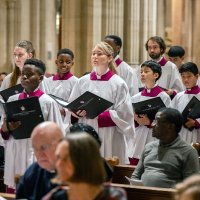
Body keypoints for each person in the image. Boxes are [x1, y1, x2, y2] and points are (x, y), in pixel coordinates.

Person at [0, 58, 65, 191]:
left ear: (40, 78)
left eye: (29, 74)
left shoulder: (48, 102)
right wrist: (7, 127)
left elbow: (58, 133)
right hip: (16, 151)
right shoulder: (12, 100)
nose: (24, 77)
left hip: (36, 154)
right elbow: (3, 130)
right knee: (14, 188)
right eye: (23, 73)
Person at [66, 41, 135, 164]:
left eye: (99, 54)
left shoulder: (118, 83)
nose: (95, 57)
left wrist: (100, 115)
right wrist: (74, 114)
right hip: (86, 131)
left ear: (109, 58)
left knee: (108, 168)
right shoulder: (82, 81)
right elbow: (71, 107)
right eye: (93, 54)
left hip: (109, 133)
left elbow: (125, 114)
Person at [43, 133, 127, 200]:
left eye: (66, 158)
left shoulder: (113, 196)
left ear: (84, 161)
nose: (58, 164)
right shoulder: (55, 197)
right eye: (58, 157)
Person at [130, 107, 199, 188]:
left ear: (170, 126)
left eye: (157, 121)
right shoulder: (149, 147)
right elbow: (135, 176)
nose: (152, 124)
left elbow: (191, 186)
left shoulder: (188, 151)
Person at [130, 60, 171, 165]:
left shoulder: (163, 97)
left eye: (146, 71)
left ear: (156, 75)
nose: (142, 74)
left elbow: (168, 120)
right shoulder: (136, 97)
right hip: (138, 137)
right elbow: (129, 118)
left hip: (154, 137)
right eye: (141, 72)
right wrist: (135, 119)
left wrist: (149, 122)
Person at [16, 121, 64, 200]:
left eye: (44, 147)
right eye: (35, 148)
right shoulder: (33, 171)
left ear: (61, 145)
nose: (40, 154)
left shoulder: (74, 174)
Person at [171, 62, 200, 144]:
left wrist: (196, 122)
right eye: (183, 77)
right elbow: (171, 113)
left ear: (196, 76)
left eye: (189, 76)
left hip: (197, 134)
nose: (185, 80)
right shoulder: (178, 96)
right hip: (180, 134)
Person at [44, 48, 78, 117]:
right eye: (61, 61)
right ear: (56, 62)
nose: (64, 64)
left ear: (72, 63)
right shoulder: (48, 81)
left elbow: (76, 104)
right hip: (50, 117)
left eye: (68, 62)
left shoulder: (76, 82)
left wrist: (63, 111)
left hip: (67, 120)